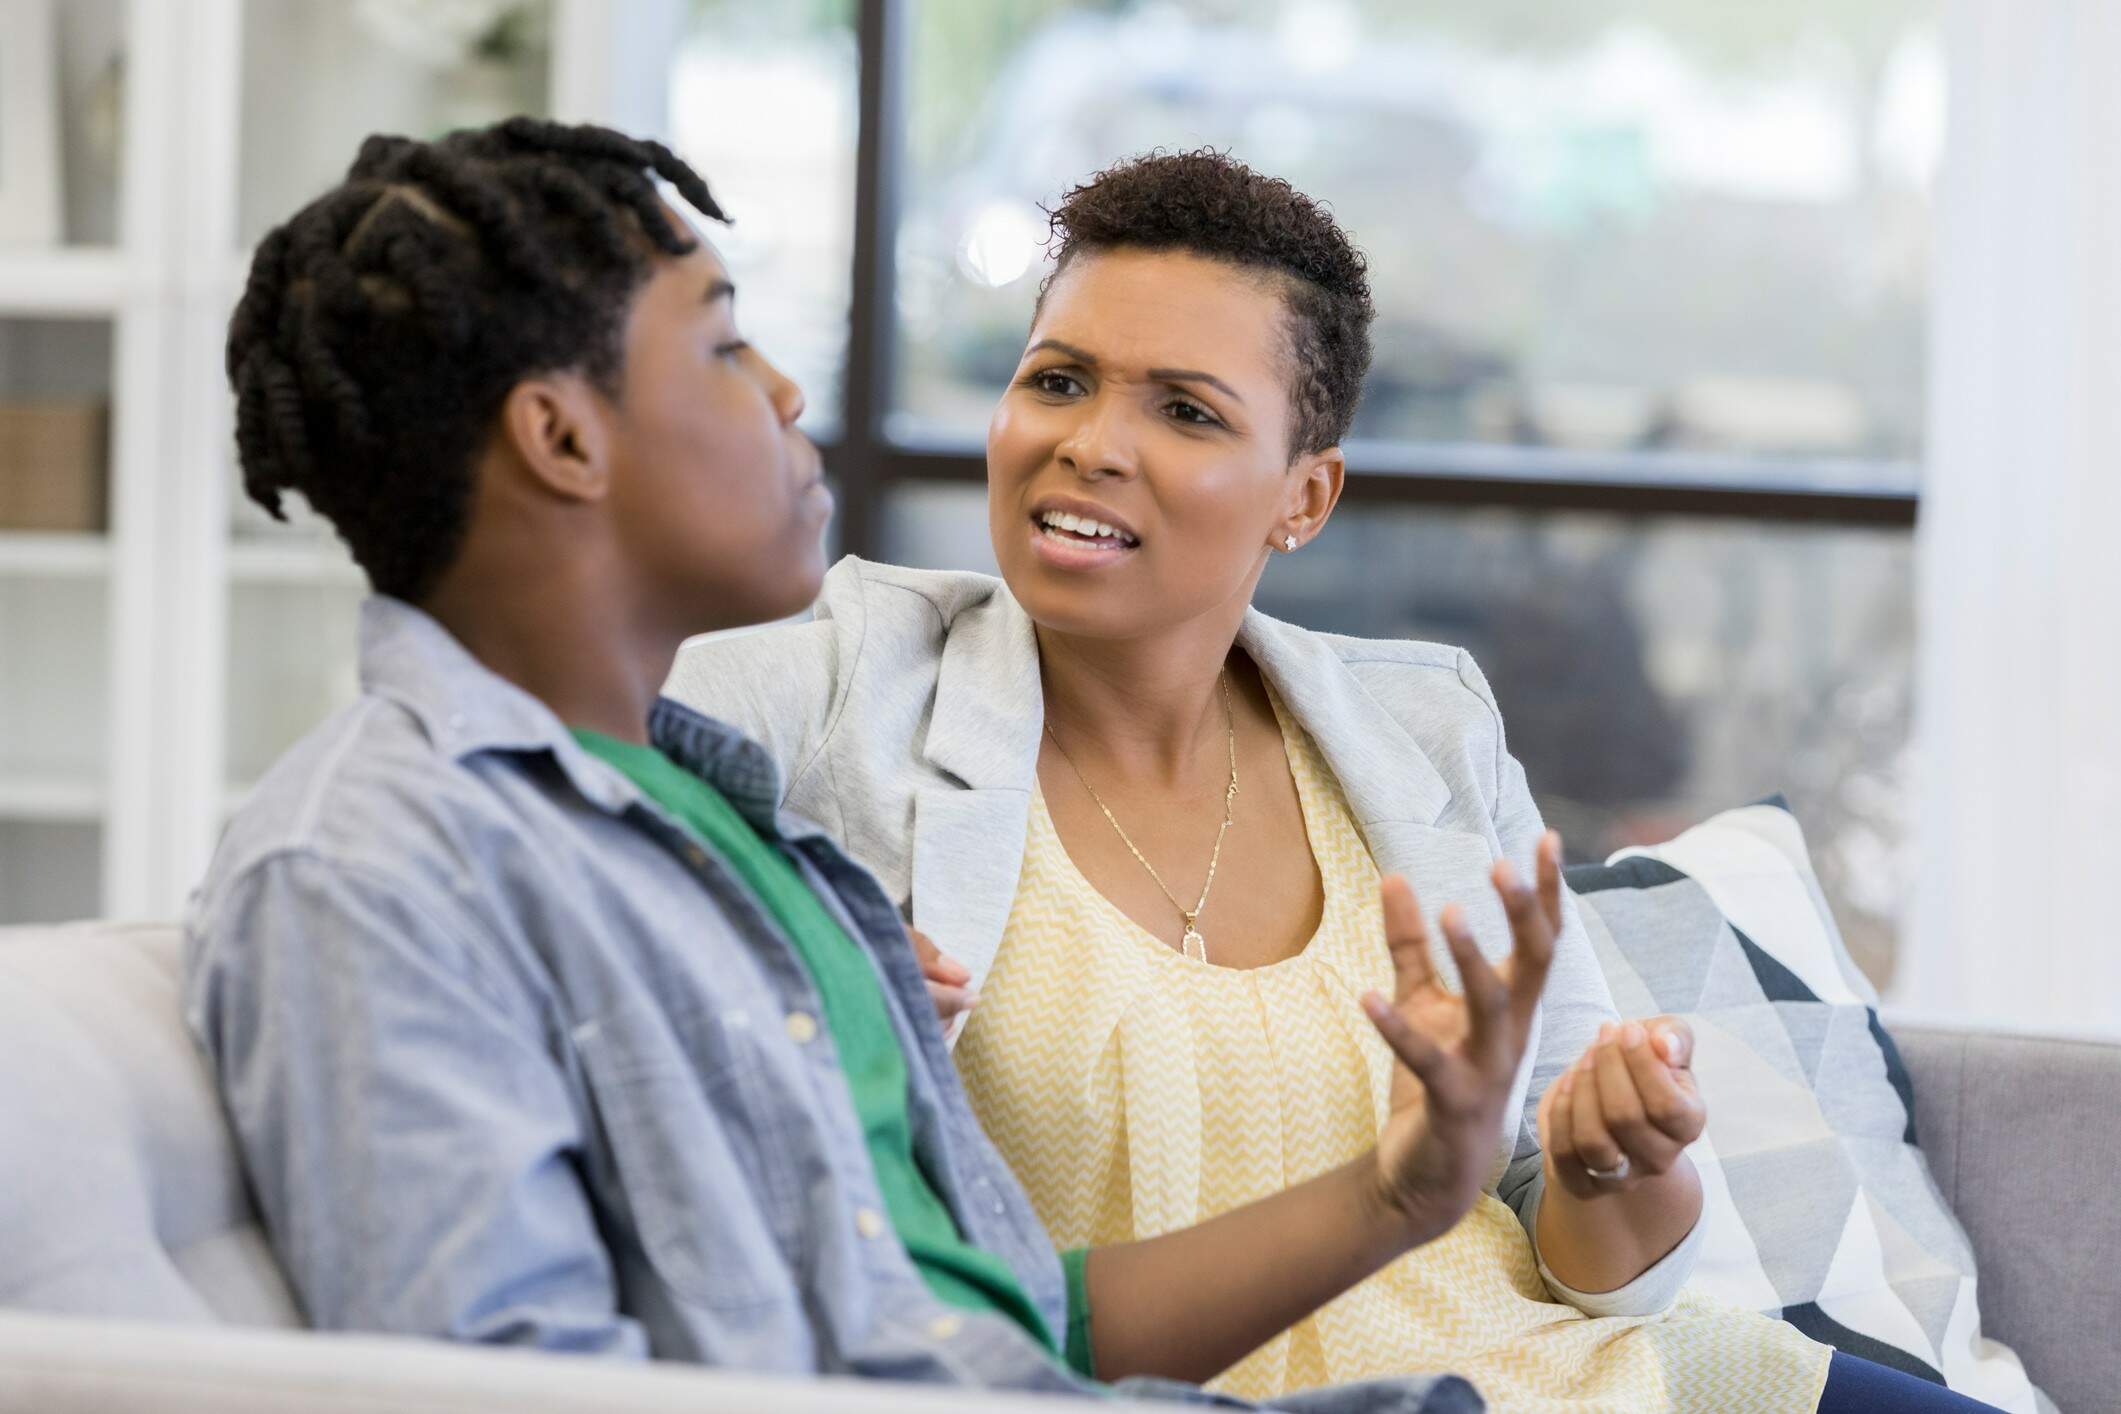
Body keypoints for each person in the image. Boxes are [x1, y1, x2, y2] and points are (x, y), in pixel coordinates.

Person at [182, 118, 1572, 1413]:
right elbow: (497, 1384)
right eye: (725, 352)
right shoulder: (370, 867)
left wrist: (1402, 1191)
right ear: (562, 436)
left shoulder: (717, 827)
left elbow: (1000, 1329)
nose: (789, 389)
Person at [667, 151, 2003, 1414]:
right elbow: (561, 796)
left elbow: (1583, 1252)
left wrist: (1613, 1163)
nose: (1089, 441)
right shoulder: (840, 682)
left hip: (1586, 1376)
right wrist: (782, 976)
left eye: (1184, 409)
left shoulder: (1419, 725)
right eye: (1058, 379)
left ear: (1303, 496)